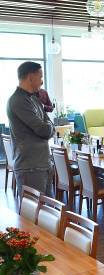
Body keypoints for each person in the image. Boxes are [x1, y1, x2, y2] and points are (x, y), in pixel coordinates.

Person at [6, 61, 55, 197]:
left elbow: (48, 124)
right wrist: (49, 127)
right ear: (30, 77)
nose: (42, 81)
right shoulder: (18, 100)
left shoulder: (34, 99)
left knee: (48, 214)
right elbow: (43, 130)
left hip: (43, 163)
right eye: (40, 77)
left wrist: (49, 126)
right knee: (32, 216)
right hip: (30, 166)